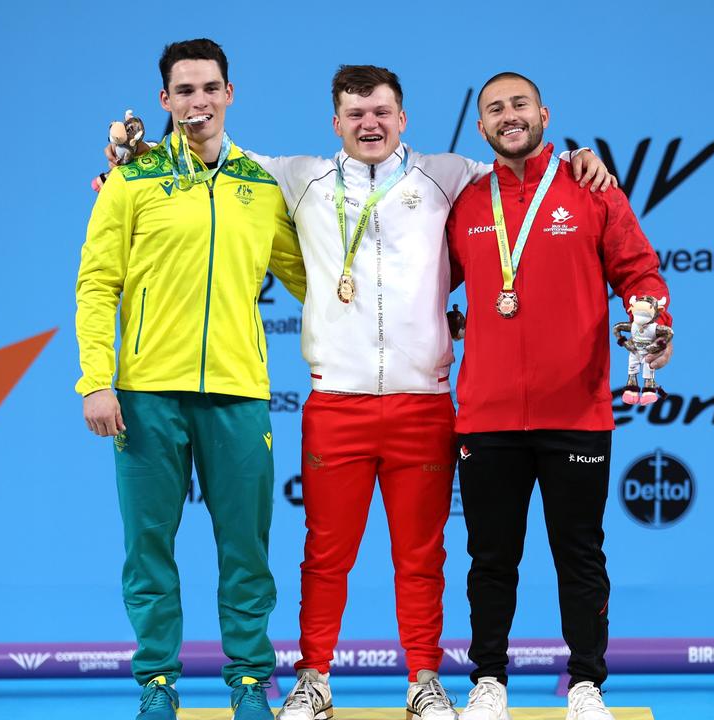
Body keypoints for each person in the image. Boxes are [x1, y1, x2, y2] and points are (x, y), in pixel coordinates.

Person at [100, 63, 612, 720]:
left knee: (423, 555)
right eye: (354, 114)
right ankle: (314, 678)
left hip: (422, 403)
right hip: (335, 402)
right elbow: (208, 150)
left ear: (403, 119)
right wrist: (135, 154)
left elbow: (527, 168)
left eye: (381, 113)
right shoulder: (298, 175)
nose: (369, 124)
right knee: (325, 554)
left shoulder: (449, 175)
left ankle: (424, 679)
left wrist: (582, 161)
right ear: (334, 123)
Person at [75, 38, 305, 720]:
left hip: (238, 393)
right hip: (146, 394)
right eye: (184, 90)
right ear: (165, 100)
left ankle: (247, 681)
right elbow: (97, 283)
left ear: (229, 94)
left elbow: (315, 280)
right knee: (148, 549)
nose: (198, 101)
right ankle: (157, 682)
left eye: (210, 88)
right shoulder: (132, 179)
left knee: (247, 548)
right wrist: (96, 379)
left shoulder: (260, 187)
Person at [444, 72, 674, 720]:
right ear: (482, 127)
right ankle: (488, 682)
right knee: (490, 559)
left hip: (576, 411)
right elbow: (427, 286)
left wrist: (657, 329)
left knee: (579, 555)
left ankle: (585, 686)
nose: (508, 116)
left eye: (519, 104)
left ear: (544, 114)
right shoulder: (466, 202)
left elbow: (639, 272)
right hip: (487, 415)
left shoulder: (591, 186)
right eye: (495, 109)